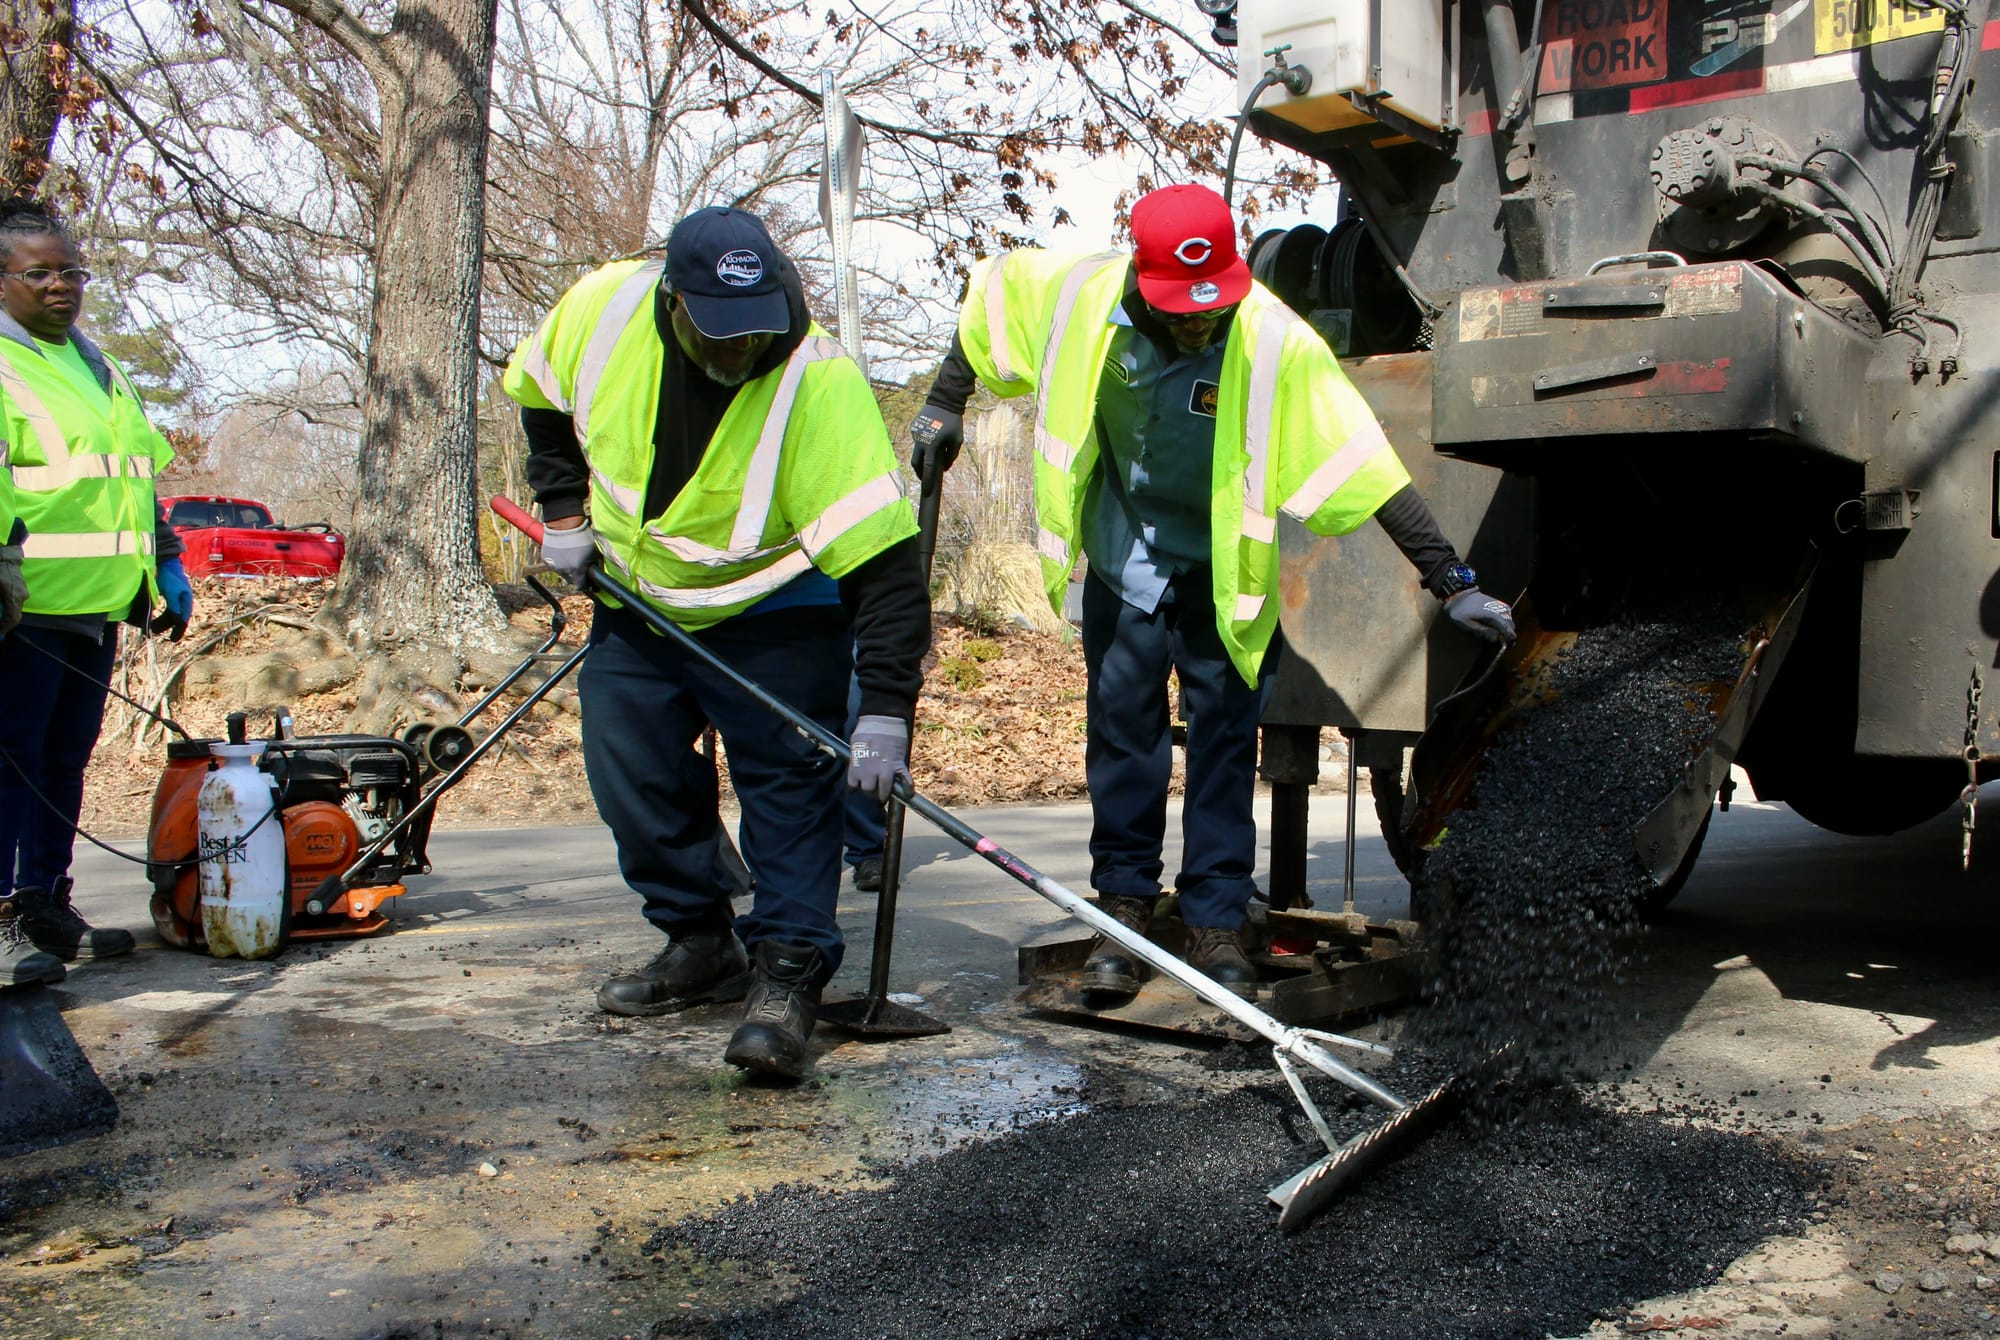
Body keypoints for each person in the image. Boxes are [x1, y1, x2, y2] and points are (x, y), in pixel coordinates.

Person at [912, 183, 1514, 1003]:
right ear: (1142, 281)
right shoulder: (1081, 299)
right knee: (1124, 740)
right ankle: (1123, 916)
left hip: (1222, 580)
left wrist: (1452, 579)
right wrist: (945, 400)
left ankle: (1216, 924)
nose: (1200, 321)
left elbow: (1362, 464)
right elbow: (991, 305)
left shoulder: (1274, 340)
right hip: (1126, 561)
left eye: (1212, 306)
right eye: (1182, 309)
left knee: (1226, 750)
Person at [503, 206, 929, 1080]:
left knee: (789, 788)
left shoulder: (818, 380)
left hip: (778, 605)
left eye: (755, 332)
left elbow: (886, 570)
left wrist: (883, 710)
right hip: (641, 600)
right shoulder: (603, 309)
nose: (741, 352)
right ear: (674, 300)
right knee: (634, 774)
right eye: (720, 334)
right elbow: (540, 397)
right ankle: (700, 941)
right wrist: (563, 511)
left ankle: (788, 972)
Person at [0, 196, 188, 974]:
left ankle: (43, 904)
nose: (60, 286)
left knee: (61, 762)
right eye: (38, 273)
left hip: (97, 603)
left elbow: (135, 476)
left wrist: (165, 559)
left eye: (71, 271)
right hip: (23, 606)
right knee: (8, 761)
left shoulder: (95, 363)